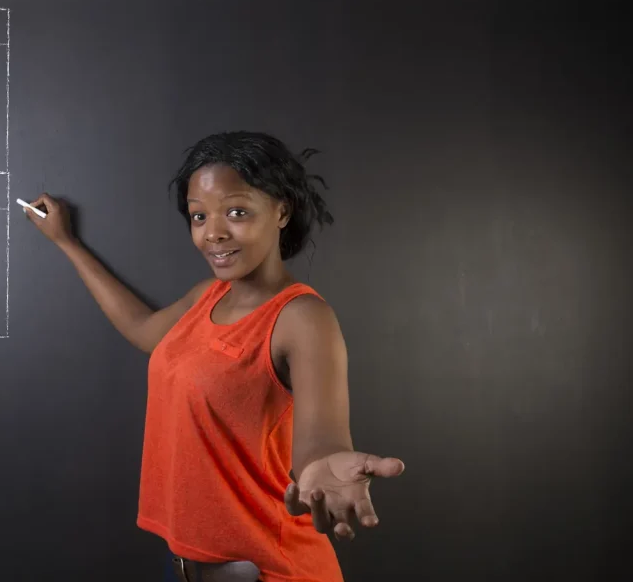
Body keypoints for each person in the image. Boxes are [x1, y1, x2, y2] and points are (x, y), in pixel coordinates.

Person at [22, 131, 405, 582]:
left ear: (281, 211)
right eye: (198, 216)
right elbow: (146, 331)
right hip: (184, 565)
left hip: (270, 572)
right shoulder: (208, 296)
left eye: (237, 212)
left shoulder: (302, 317)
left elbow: (320, 437)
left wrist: (325, 464)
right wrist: (66, 242)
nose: (213, 233)